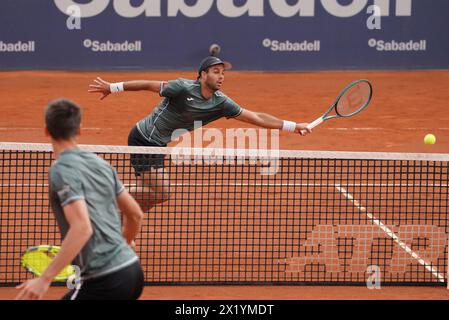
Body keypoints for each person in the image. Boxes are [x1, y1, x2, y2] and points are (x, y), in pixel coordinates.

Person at [88, 56, 312, 212]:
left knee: (152, 196)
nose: (221, 76)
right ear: (203, 75)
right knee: (162, 192)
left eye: (223, 73)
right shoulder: (182, 87)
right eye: (216, 72)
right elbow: (148, 84)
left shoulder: (221, 102)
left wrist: (293, 125)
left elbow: (257, 117)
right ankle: (107, 196)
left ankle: (118, 217)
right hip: (143, 139)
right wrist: (113, 87)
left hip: (158, 144)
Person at [15, 99, 145, 300]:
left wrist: (44, 279)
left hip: (105, 279)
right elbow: (135, 214)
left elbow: (82, 228)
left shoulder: (60, 170)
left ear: (46, 131)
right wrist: (125, 241)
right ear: (79, 130)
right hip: (133, 270)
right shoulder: (101, 164)